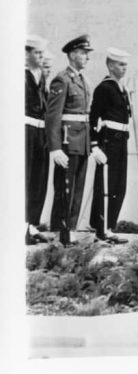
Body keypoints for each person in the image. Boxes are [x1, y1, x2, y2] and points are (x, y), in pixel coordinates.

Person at [45, 35, 94, 246]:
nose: (86, 58)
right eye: (83, 53)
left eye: (87, 54)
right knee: (65, 189)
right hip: (67, 142)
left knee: (78, 189)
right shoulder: (62, 80)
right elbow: (53, 116)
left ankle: (70, 230)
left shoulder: (83, 80)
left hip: (81, 141)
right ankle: (60, 232)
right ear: (72, 54)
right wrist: (55, 148)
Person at [87, 47, 134, 244]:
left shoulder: (121, 88)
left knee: (118, 186)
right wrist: (94, 145)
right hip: (108, 141)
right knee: (105, 186)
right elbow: (93, 117)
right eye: (120, 64)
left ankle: (110, 227)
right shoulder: (105, 88)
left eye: (125, 65)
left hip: (121, 140)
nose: (124, 68)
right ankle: (100, 230)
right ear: (110, 65)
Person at [25, 35, 50, 245]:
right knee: (26, 178)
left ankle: (32, 225)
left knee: (39, 180)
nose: (40, 57)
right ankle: (21, 226)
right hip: (25, 129)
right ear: (26, 54)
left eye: (42, 53)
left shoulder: (41, 76)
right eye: (36, 53)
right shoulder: (20, 75)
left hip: (40, 132)